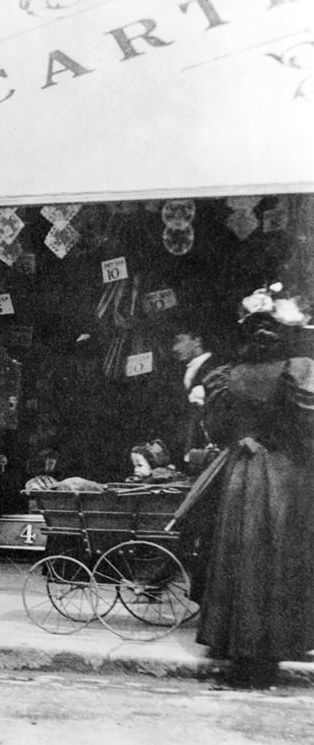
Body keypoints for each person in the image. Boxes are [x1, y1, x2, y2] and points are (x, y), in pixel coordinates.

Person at [195, 284, 314, 686]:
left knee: (238, 552)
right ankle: (277, 640)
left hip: (241, 471)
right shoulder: (297, 369)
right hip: (283, 472)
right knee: (279, 551)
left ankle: (233, 640)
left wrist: (243, 437)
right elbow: (308, 426)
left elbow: (215, 428)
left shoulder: (225, 376)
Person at [171, 322, 223, 471]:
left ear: (197, 342)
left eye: (180, 341)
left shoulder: (216, 369)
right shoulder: (181, 372)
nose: (175, 349)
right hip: (191, 449)